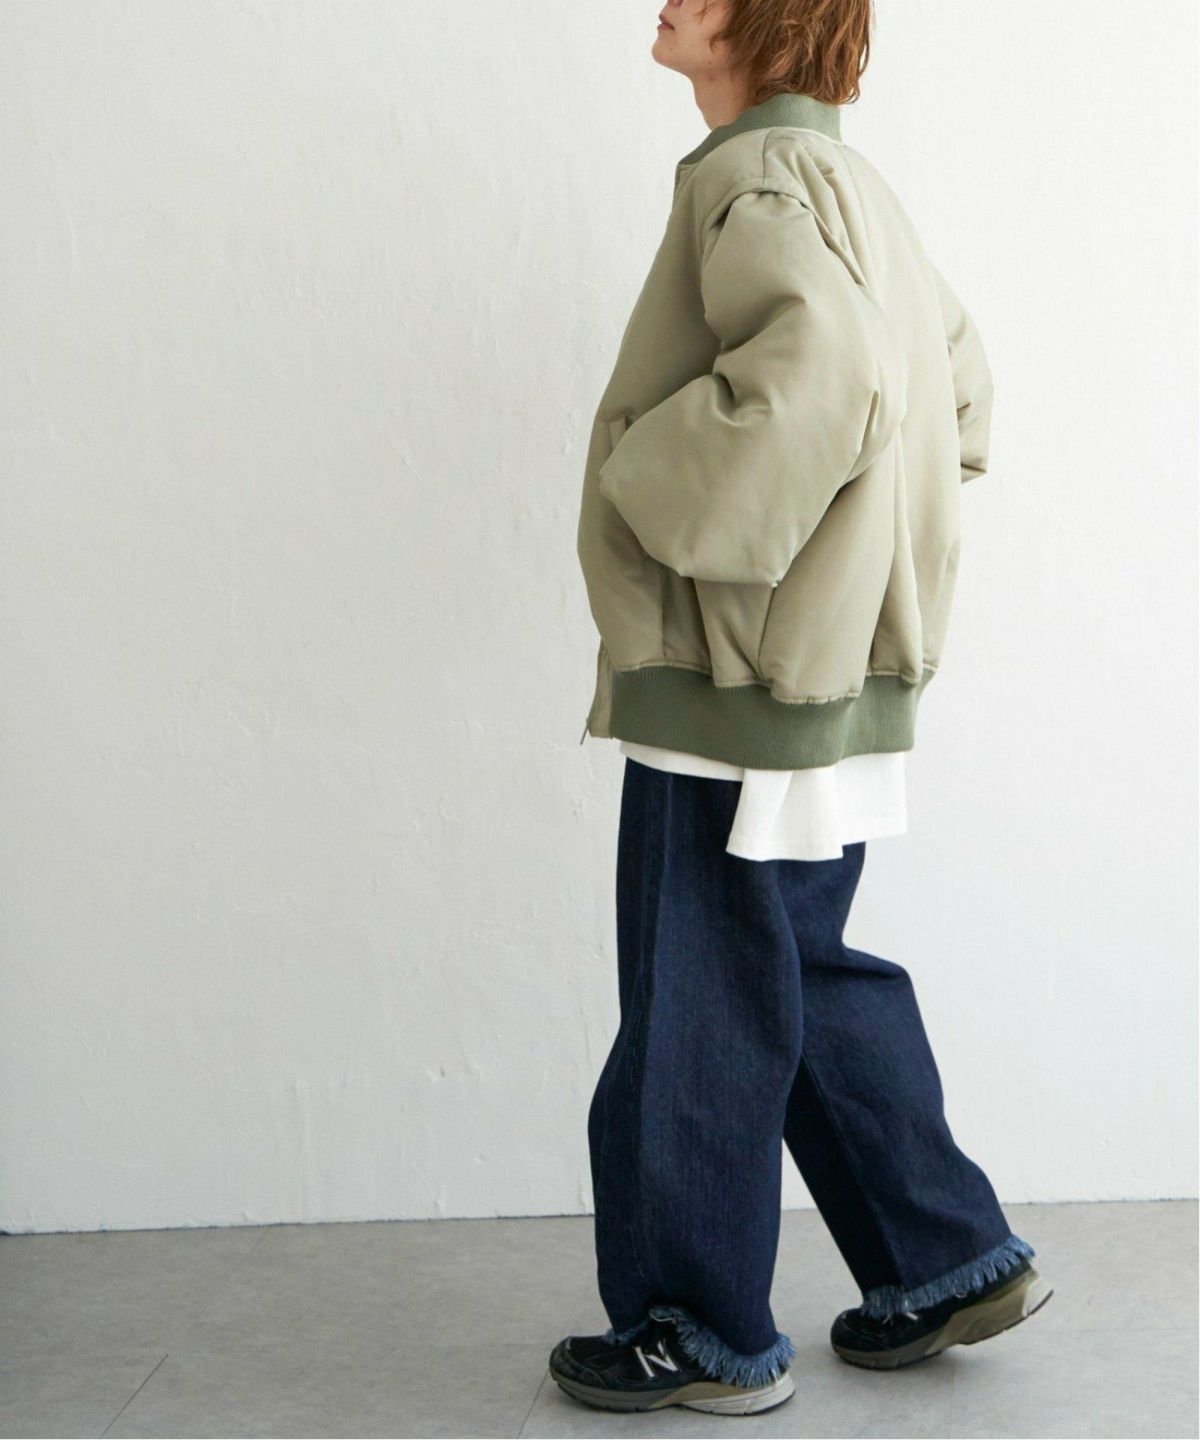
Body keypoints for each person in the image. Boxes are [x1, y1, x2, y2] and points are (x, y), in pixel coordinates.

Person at [552, 0, 1053, 1417]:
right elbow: (957, 386)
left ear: (763, 22)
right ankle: (944, 1257)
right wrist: (860, 547)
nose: (667, 0)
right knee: (793, 964)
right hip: (828, 671)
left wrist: (642, 480)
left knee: (695, 995)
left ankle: (701, 1326)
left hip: (736, 676)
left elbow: (823, 373)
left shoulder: (750, 178)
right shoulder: (854, 186)